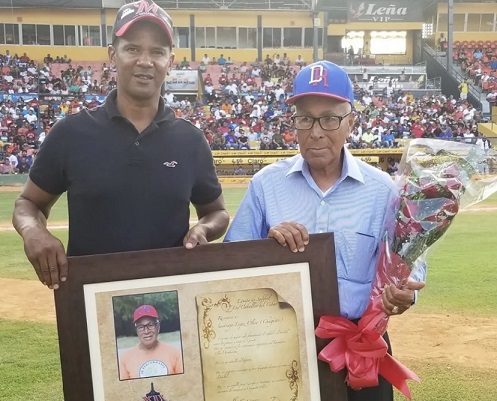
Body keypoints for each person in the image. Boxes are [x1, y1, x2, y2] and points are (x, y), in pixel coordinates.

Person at [224, 61, 425, 401]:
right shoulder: (265, 185)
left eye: (329, 118)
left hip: (362, 345)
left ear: (351, 123)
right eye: (305, 118)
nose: (316, 131)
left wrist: (406, 291)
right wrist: (266, 249)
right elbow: (231, 262)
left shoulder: (383, 190)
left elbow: (409, 262)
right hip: (282, 347)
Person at [12, 0, 229, 290]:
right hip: (89, 299)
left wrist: (203, 229)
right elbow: (28, 204)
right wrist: (33, 231)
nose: (145, 61)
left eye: (157, 52)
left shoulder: (191, 140)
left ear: (170, 61)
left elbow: (217, 212)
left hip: (169, 301)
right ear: (113, 55)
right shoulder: (70, 133)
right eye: (133, 49)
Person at [119, 304, 183, 380]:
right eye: (141, 327)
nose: (146, 331)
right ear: (137, 331)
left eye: (150, 325)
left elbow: (182, 383)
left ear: (158, 327)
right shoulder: (124, 359)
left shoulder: (175, 353)